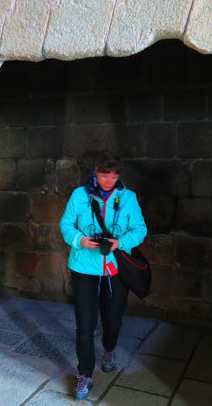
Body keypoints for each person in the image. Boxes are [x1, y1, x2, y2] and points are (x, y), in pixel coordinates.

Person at [59, 150, 147, 400]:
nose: (108, 180)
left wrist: (120, 242)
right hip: (84, 269)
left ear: (118, 175)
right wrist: (79, 240)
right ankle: (84, 374)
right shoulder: (79, 195)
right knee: (84, 325)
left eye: (113, 175)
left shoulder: (128, 198)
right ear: (95, 173)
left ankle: (109, 349)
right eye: (104, 175)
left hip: (115, 270)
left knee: (112, 320)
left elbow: (140, 229)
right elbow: (66, 224)